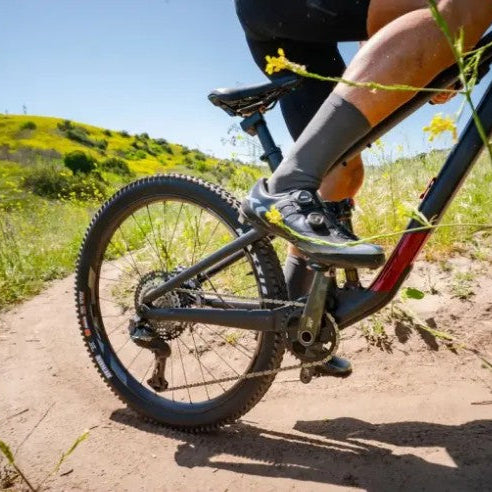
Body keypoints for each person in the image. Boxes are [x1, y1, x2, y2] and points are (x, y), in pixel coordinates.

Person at [235, 0, 492, 376]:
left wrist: (436, 53)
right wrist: (442, 38)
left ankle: (294, 321)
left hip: (300, 34)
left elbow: (376, 32)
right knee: (466, 7)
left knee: (342, 174)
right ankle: (285, 185)